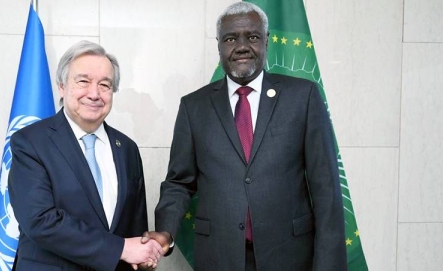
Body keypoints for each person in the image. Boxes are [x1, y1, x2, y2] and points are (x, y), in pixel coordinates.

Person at [143, 2, 347, 270]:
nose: (241, 46)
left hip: (290, 256)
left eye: (252, 36)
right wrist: (165, 232)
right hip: (219, 257)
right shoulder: (194, 106)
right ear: (219, 45)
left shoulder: (303, 97)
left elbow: (326, 190)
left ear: (266, 41)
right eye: (230, 38)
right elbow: (179, 182)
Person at [8, 40, 162, 271]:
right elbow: (40, 221)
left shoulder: (127, 148)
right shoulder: (30, 142)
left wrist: (143, 254)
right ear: (62, 86)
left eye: (104, 85)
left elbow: (135, 230)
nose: (94, 94)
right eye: (83, 81)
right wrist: (121, 249)